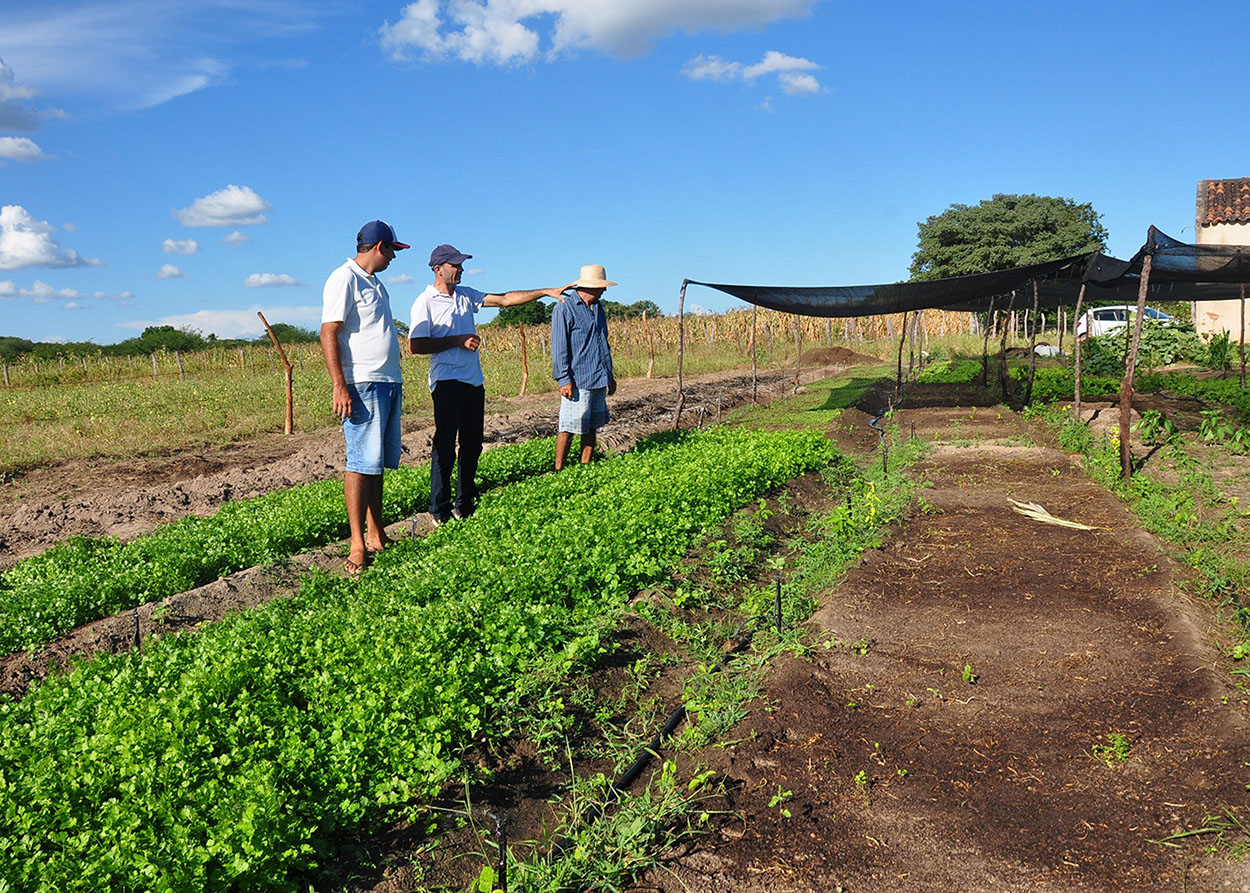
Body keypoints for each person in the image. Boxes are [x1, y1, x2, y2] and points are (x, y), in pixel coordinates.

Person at [410, 243, 571, 524]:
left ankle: (465, 504)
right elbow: (416, 345)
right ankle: (439, 509)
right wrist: (458, 340)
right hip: (447, 383)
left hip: (474, 382)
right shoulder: (424, 302)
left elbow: (506, 299)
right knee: (445, 447)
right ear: (438, 269)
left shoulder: (466, 295)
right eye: (455, 265)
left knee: (472, 445)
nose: (461, 269)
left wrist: (545, 292)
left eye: (461, 265)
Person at [319, 219, 409, 575]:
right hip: (362, 382)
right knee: (360, 461)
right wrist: (339, 385)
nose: (393, 257)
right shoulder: (344, 278)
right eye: (392, 250)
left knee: (376, 463)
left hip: (387, 381)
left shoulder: (376, 283)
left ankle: (376, 533)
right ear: (378, 247)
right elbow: (329, 332)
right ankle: (357, 542)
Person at [551, 264, 617, 470]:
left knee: (592, 425)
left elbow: (602, 343)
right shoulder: (564, 307)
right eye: (601, 287)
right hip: (577, 379)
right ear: (589, 286)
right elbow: (559, 347)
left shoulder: (598, 309)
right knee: (568, 426)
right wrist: (564, 379)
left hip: (598, 376)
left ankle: (585, 467)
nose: (604, 290)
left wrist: (609, 375)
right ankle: (559, 469)